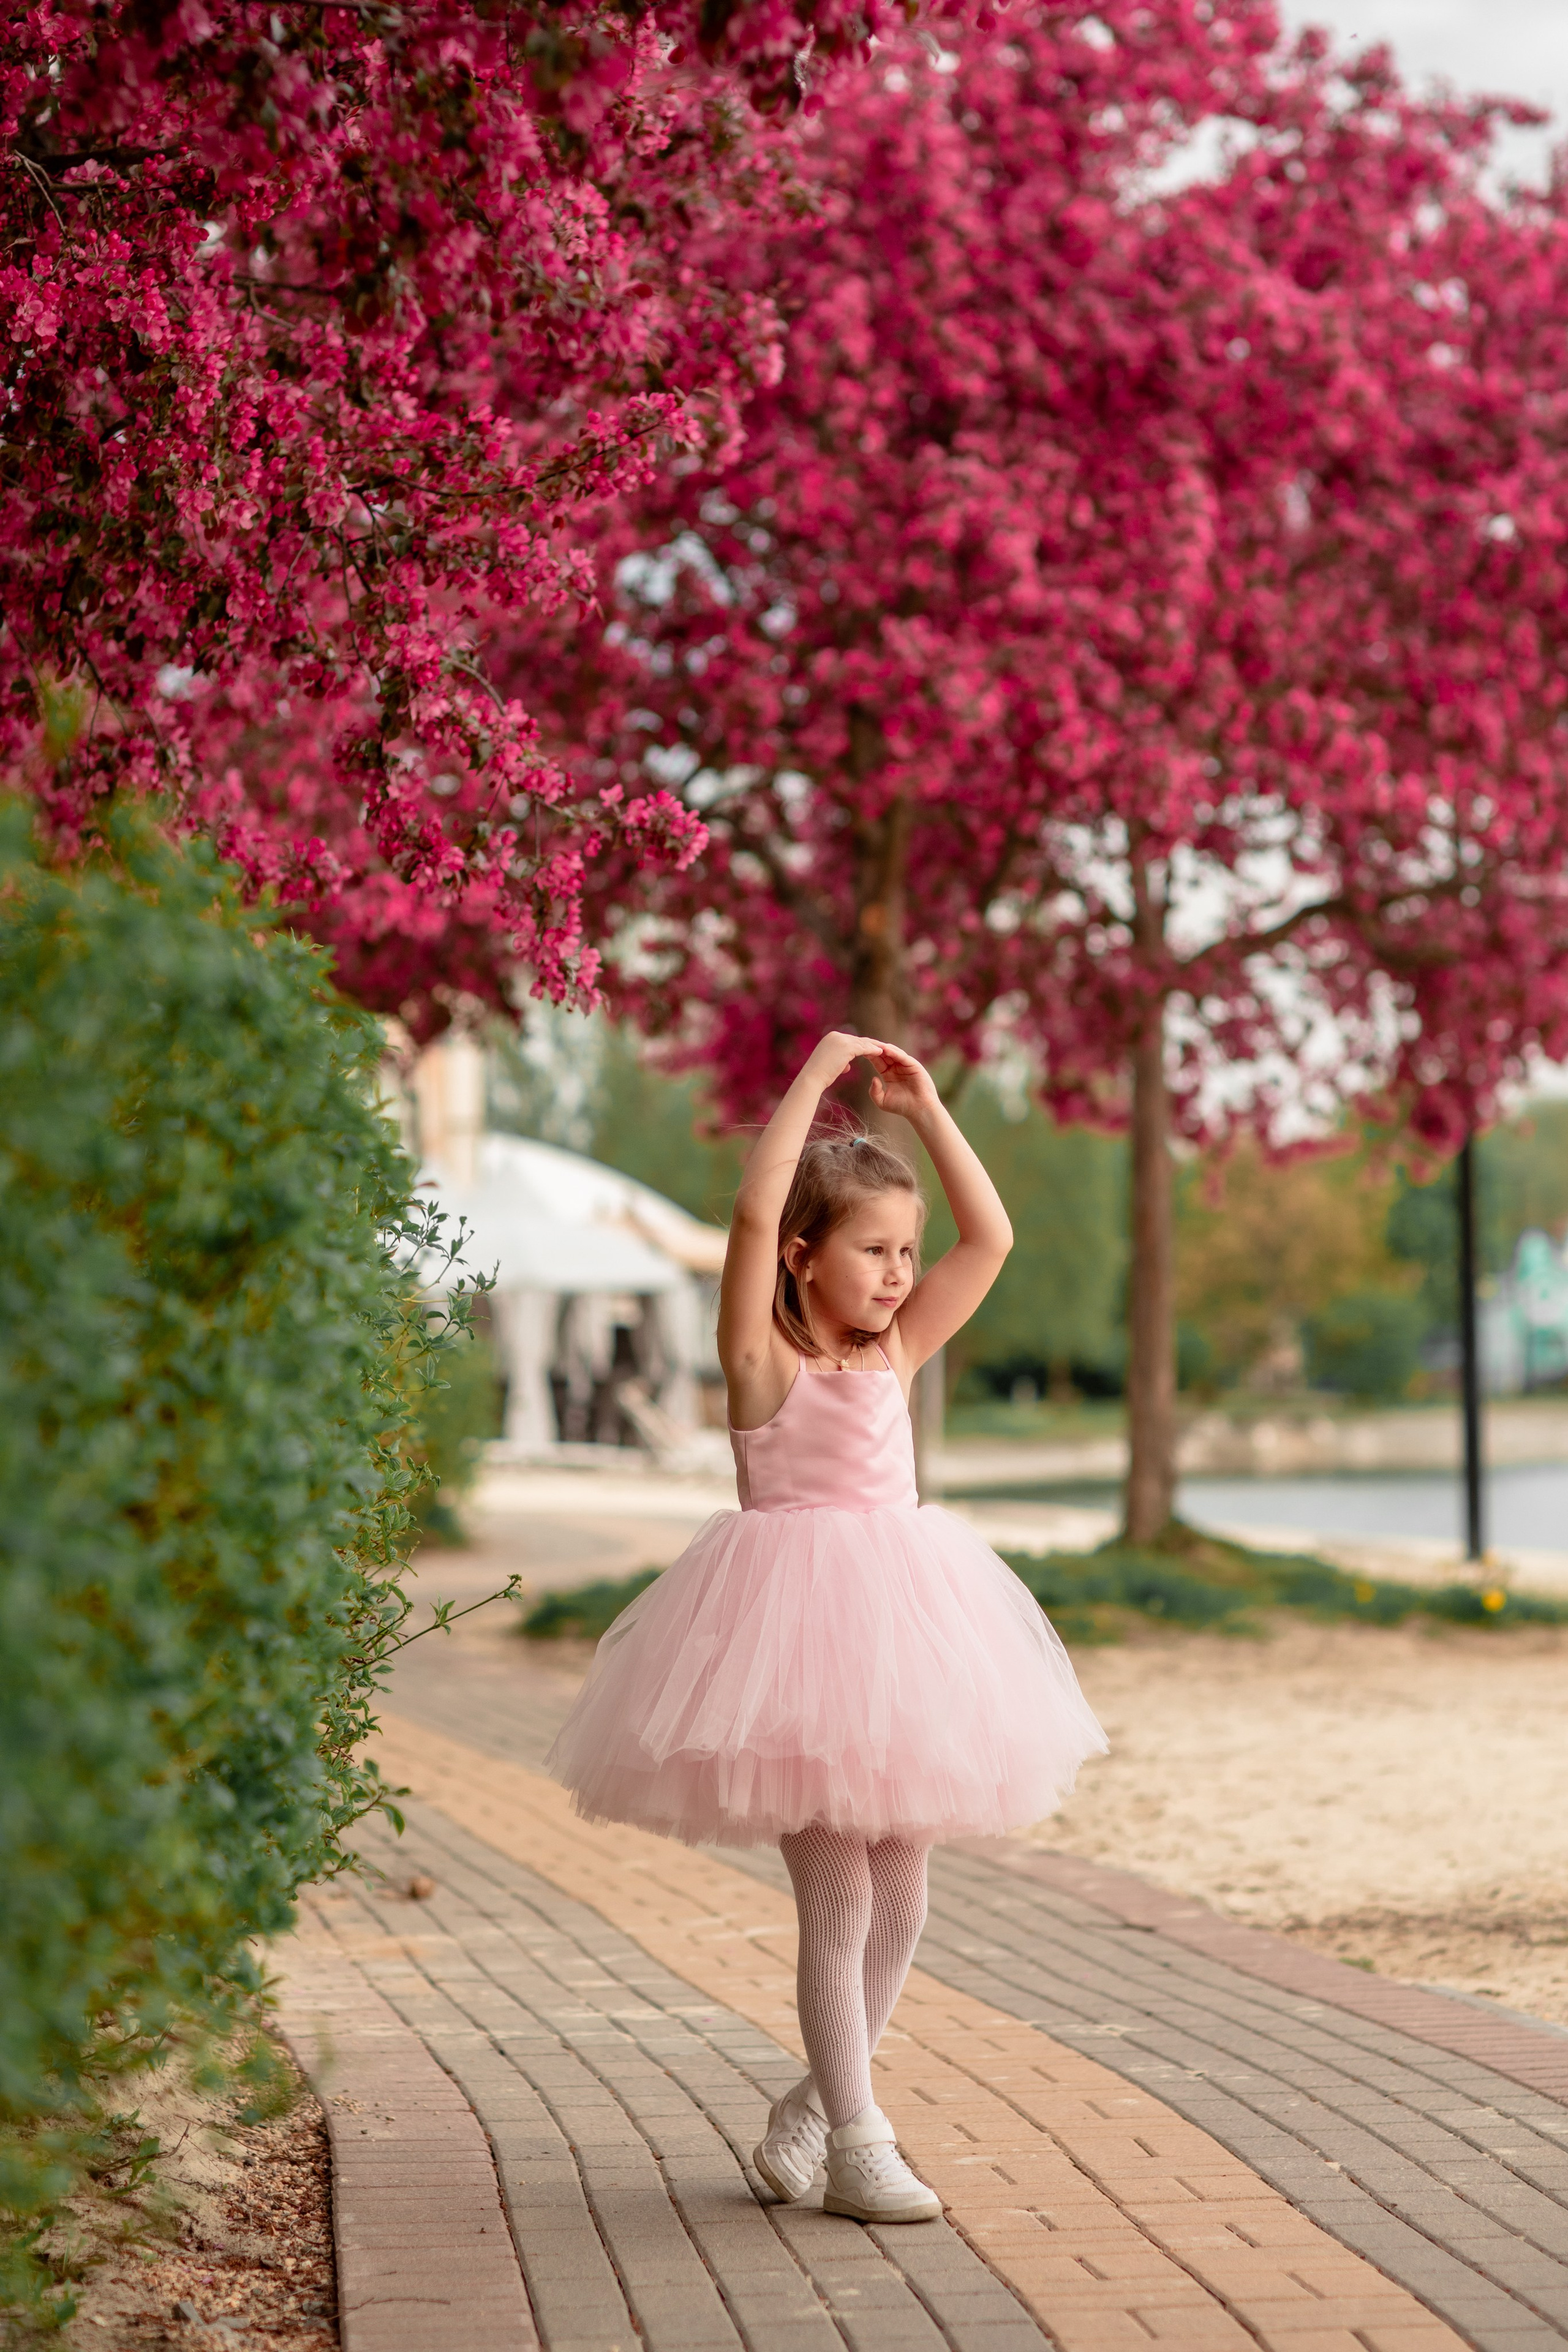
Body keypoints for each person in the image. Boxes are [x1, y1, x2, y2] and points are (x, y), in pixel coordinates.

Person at [546, 1033, 1107, 2223]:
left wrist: (929, 1112)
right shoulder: (762, 1362)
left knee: (904, 1904)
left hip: (904, 1645)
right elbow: (755, 1214)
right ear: (803, 1259)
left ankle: (811, 2107)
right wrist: (812, 1078)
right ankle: (859, 2141)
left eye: (906, 1251)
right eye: (872, 1250)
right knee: (839, 1899)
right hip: (794, 1653)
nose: (900, 1274)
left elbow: (991, 1241)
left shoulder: (895, 1352)